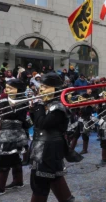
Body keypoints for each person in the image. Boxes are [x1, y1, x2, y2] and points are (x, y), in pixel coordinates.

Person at [29, 72, 76, 202]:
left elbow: (43, 124)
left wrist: (37, 105)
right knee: (53, 177)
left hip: (49, 147)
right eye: (41, 86)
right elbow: (36, 123)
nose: (40, 89)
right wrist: (34, 109)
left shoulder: (57, 106)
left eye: (44, 87)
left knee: (41, 180)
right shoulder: (47, 104)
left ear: (55, 89)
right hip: (42, 146)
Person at [0, 79, 29, 197]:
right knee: (14, 158)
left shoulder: (23, 102)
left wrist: (4, 105)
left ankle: (0, 187)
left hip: (14, 133)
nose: (6, 90)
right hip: (4, 132)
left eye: (10, 88)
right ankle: (18, 181)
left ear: (18, 89)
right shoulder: (4, 100)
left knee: (3, 159)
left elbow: (17, 117)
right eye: (6, 87)